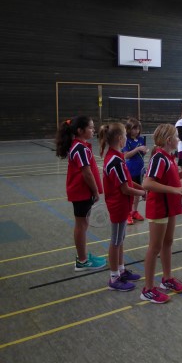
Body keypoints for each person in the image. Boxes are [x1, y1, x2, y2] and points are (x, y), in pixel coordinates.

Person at [140, 123, 182, 304]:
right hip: (159, 207)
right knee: (154, 247)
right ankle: (147, 289)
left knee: (167, 243)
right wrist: (175, 190)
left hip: (170, 206)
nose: (178, 139)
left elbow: (171, 178)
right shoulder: (159, 158)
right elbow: (147, 183)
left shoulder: (169, 157)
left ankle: (167, 278)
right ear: (169, 140)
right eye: (176, 137)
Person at [55, 116, 107, 271]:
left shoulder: (80, 146)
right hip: (81, 192)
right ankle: (82, 261)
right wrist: (95, 191)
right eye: (90, 127)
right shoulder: (80, 148)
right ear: (80, 130)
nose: (93, 130)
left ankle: (83, 256)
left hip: (82, 192)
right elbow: (86, 173)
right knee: (81, 225)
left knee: (83, 225)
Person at [99, 123, 146, 291]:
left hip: (123, 204)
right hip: (117, 205)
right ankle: (114, 278)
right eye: (125, 135)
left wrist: (142, 188)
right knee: (116, 241)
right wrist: (143, 193)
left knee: (121, 239)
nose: (127, 137)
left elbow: (128, 181)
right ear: (120, 139)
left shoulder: (118, 157)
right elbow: (125, 189)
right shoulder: (115, 161)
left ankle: (121, 270)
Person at [122, 117, 147, 225]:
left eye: (138, 128)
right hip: (130, 170)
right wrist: (137, 149)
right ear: (128, 129)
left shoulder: (141, 139)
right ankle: (127, 213)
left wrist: (144, 151)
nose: (136, 131)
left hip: (139, 170)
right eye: (134, 128)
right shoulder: (126, 140)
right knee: (130, 193)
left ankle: (134, 211)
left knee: (137, 193)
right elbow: (126, 155)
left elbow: (142, 153)